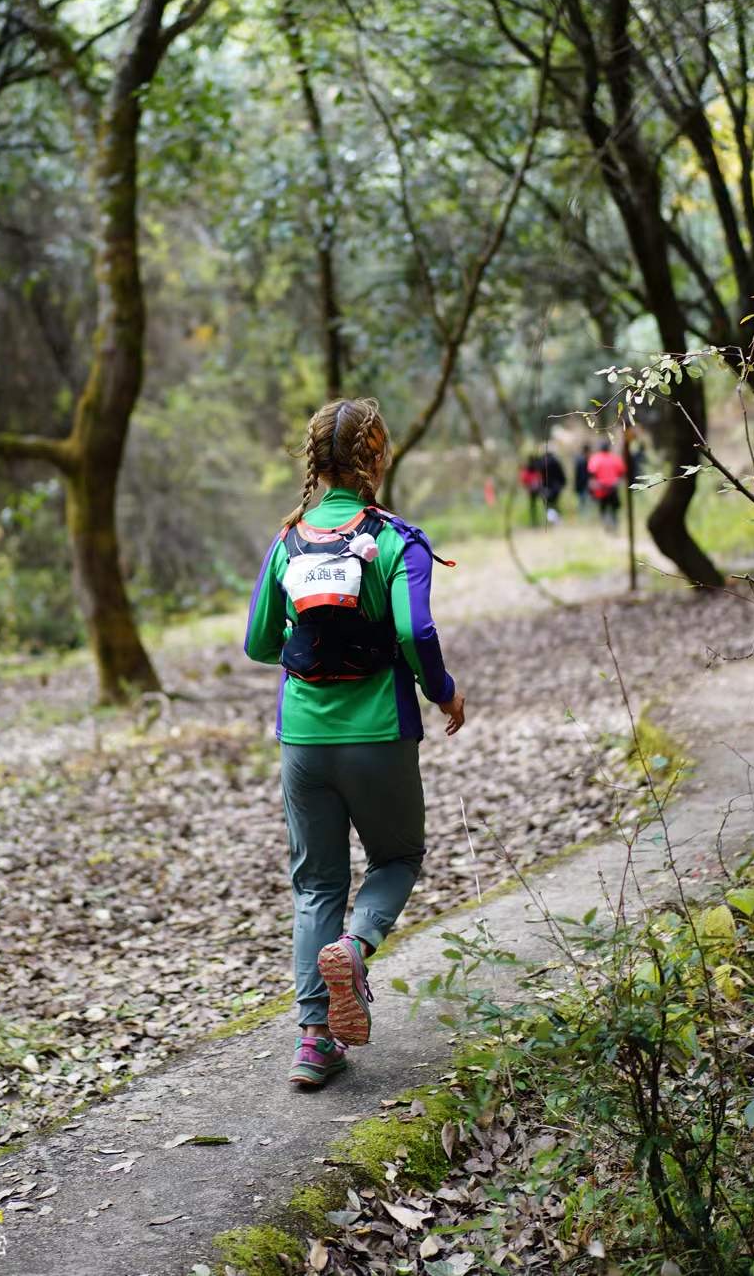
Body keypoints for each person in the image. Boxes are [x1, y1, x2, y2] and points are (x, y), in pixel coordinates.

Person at [244, 398, 465, 1089]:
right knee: (398, 857)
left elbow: (257, 643)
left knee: (315, 882)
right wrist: (443, 690)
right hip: (379, 732)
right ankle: (355, 945)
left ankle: (314, 1042)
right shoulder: (398, 539)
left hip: (302, 739)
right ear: (377, 457)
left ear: (315, 461)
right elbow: (414, 630)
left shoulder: (287, 541)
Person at [587, 438, 626, 526]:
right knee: (614, 509)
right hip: (613, 488)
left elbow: (591, 473)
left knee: (603, 509)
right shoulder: (615, 458)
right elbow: (622, 472)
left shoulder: (595, 458)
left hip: (601, 489)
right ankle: (614, 525)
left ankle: (605, 526)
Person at [536, 448, 566, 523]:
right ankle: (555, 520)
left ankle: (551, 519)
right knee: (554, 504)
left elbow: (537, 475)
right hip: (555, 486)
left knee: (547, 504)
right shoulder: (555, 461)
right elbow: (561, 474)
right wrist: (563, 483)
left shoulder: (540, 462)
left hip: (544, 487)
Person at [574, 444, 590, 512]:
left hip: (580, 484)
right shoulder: (584, 460)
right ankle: (584, 514)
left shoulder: (578, 459)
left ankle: (583, 514)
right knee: (584, 501)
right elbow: (584, 474)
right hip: (584, 485)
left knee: (582, 501)